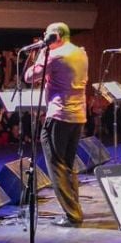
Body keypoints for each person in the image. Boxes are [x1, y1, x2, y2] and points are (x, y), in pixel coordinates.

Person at [23, 22, 88, 227]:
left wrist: (42, 54)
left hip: (59, 116)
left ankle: (72, 215)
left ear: (57, 35)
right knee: (68, 165)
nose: (44, 37)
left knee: (57, 167)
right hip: (78, 116)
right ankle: (75, 209)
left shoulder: (55, 55)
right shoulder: (81, 53)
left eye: (47, 34)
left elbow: (28, 77)